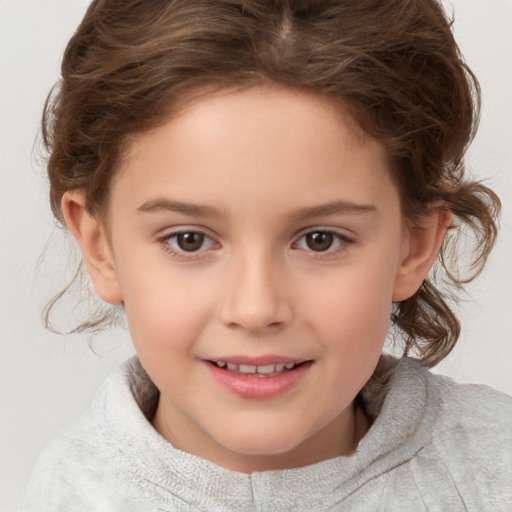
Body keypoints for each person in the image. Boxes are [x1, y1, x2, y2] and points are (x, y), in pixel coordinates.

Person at [22, 0, 512, 510]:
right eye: (189, 239)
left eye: (321, 239)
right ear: (100, 247)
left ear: (414, 245)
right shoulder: (68, 495)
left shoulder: (496, 467)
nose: (256, 309)